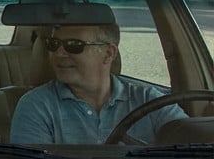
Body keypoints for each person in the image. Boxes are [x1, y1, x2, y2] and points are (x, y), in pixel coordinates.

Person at [10, 22, 185, 144]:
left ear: (109, 53)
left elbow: (193, 145)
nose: (59, 53)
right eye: (53, 44)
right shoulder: (36, 105)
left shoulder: (151, 101)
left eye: (73, 45)